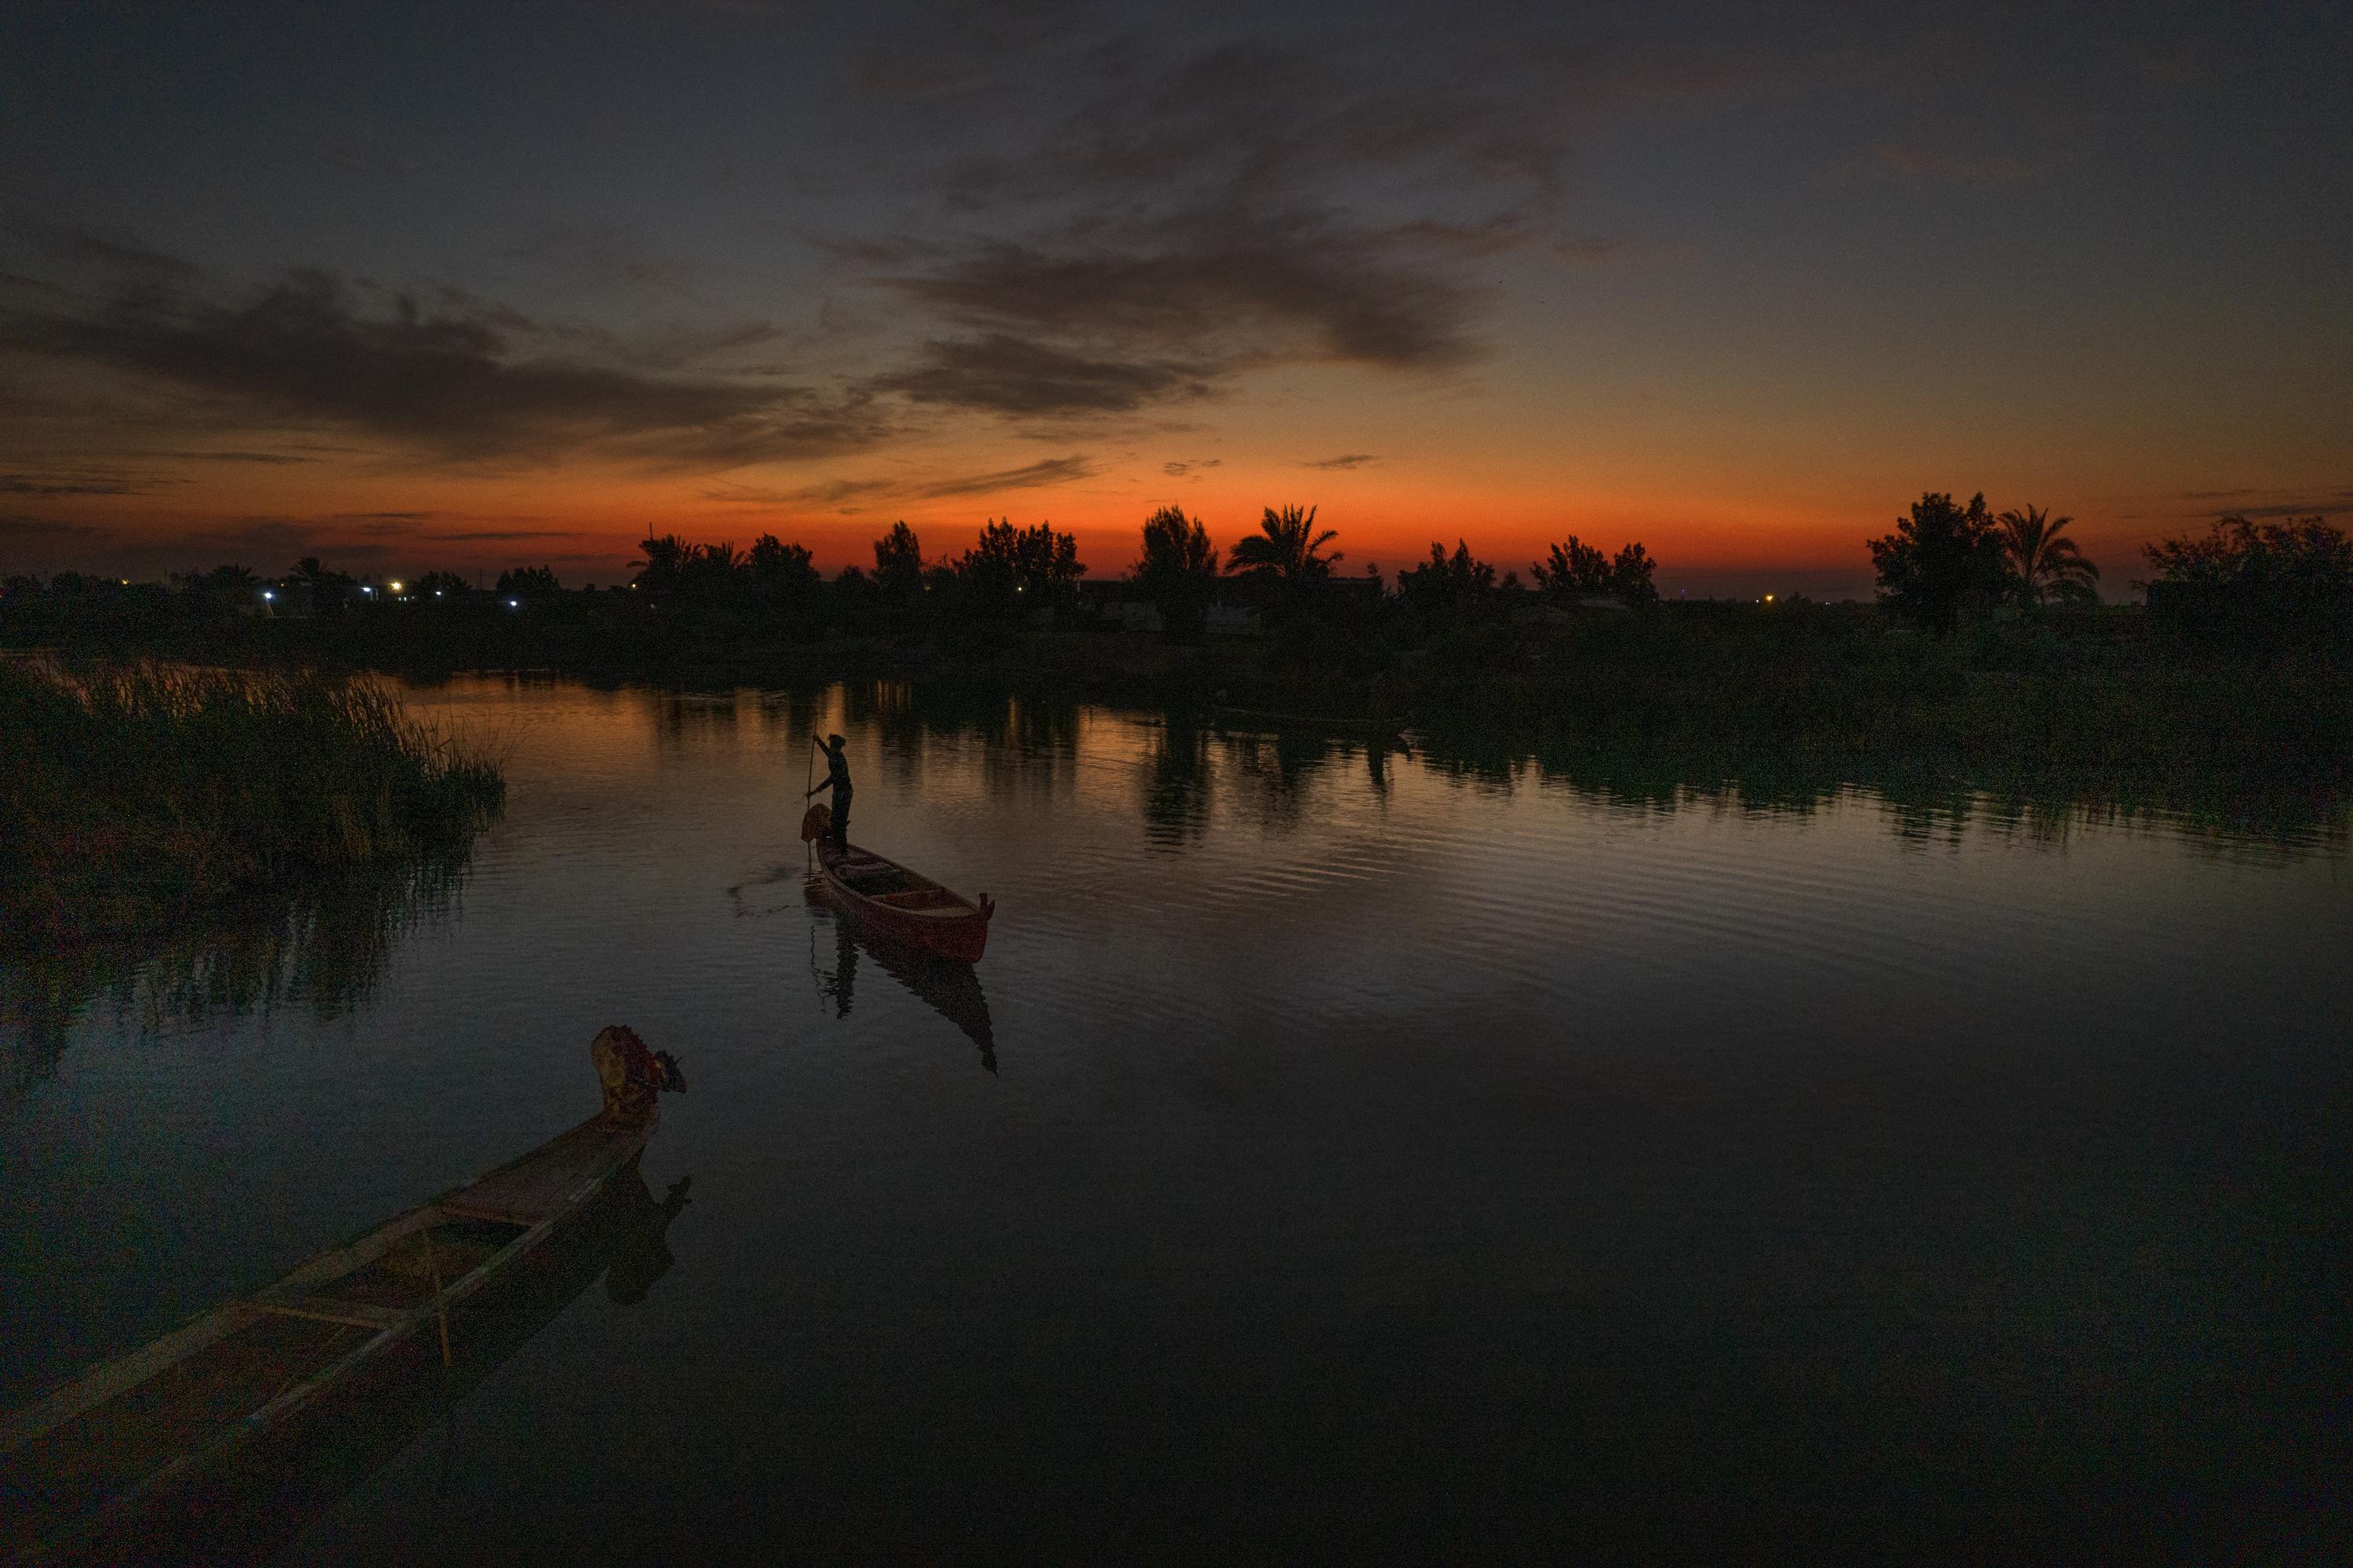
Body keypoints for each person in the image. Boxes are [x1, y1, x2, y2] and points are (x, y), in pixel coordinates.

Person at [807, 733, 853, 848]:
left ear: (836, 746)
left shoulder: (837, 757)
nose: (830, 746)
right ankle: (840, 846)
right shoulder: (835, 754)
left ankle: (841, 849)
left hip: (843, 792)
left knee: (839, 822)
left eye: (831, 744)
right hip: (842, 791)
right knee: (838, 821)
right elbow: (827, 752)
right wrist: (818, 741)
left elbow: (833, 778)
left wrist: (816, 791)